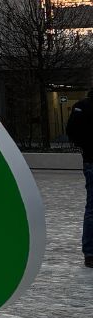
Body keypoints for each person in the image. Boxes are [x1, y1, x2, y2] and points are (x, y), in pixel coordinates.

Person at [64, 90, 93, 267]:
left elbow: (71, 131)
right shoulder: (82, 106)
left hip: (91, 159)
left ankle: (90, 253)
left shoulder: (82, 106)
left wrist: (86, 146)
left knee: (92, 208)